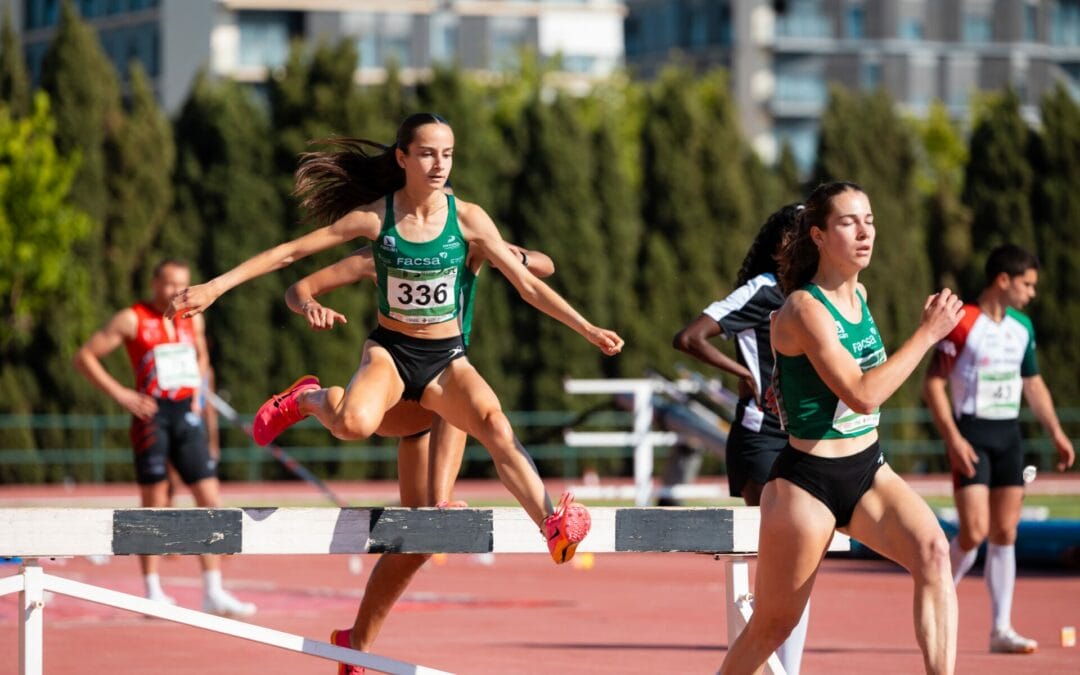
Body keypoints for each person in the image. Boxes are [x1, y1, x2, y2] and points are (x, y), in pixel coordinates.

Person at [166, 111, 621, 654]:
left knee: (485, 438)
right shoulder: (375, 225)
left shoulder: (470, 221)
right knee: (356, 424)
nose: (439, 164)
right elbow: (292, 258)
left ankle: (549, 523)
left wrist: (586, 327)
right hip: (391, 357)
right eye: (427, 153)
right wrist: (218, 287)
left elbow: (530, 279)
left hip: (447, 364)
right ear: (402, 158)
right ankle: (310, 398)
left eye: (448, 154)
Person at [718, 181, 964, 675]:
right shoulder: (805, 308)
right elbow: (864, 393)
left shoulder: (861, 296)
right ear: (819, 236)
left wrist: (779, 382)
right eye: (848, 222)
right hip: (806, 483)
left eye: (869, 220)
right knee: (773, 625)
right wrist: (927, 333)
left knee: (935, 552)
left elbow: (813, 373)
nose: (864, 231)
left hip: (868, 470)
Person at [285, 240, 554, 666]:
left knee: (417, 543)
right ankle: (312, 398)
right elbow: (299, 288)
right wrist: (308, 306)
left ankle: (354, 643)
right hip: (400, 397)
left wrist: (506, 255)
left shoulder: (467, 241)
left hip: (443, 385)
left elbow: (545, 264)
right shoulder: (386, 250)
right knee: (355, 421)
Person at [73, 259, 256, 618]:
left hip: (186, 415)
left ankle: (213, 590)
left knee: (210, 498)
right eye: (170, 284)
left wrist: (200, 399)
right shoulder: (132, 318)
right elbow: (85, 357)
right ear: (155, 283)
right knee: (154, 502)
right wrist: (122, 394)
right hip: (152, 415)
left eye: (183, 285)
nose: (177, 292)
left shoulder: (193, 317)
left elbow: (204, 360)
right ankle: (153, 590)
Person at [673, 203, 809, 675]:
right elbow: (689, 338)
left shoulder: (813, 296)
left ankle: (786, 670)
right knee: (784, 560)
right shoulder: (762, 290)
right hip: (762, 438)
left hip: (803, 441)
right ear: (778, 245)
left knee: (800, 564)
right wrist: (744, 372)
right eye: (798, 235)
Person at [922, 244, 1075, 655]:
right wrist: (953, 438)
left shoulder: (1022, 326)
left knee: (1006, 532)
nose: (1032, 293)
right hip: (971, 433)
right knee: (973, 533)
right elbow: (933, 383)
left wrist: (1056, 432)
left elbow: (1034, 384)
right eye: (1027, 284)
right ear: (1002, 280)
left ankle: (1001, 628)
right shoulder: (964, 323)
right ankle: (935, 604)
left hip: (1009, 435)